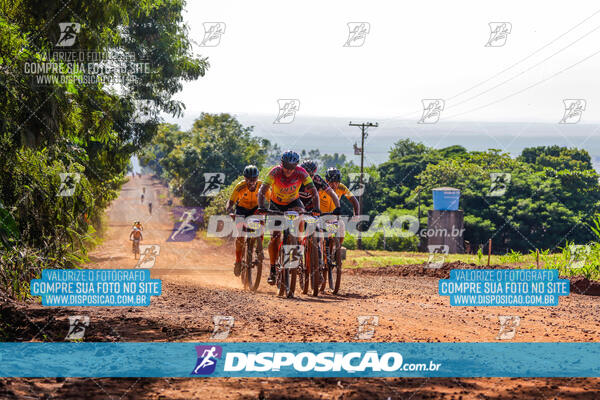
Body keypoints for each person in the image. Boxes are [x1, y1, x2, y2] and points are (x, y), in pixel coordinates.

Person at [256, 150, 320, 284]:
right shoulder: (274, 172)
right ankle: (273, 269)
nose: (289, 170)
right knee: (274, 237)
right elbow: (263, 189)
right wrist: (261, 206)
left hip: (293, 202)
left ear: (296, 165)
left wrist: (316, 208)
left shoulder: (301, 172)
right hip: (276, 204)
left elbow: (313, 190)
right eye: (286, 166)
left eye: (292, 167)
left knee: (301, 214)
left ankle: (297, 242)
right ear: (281, 164)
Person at [226, 165, 265, 277]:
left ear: (257, 178)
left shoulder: (261, 186)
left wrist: (273, 209)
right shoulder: (240, 186)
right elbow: (231, 201)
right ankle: (238, 260)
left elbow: (271, 198)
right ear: (245, 178)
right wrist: (229, 210)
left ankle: (259, 249)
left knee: (262, 224)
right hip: (242, 210)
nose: (251, 182)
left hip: (255, 209)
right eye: (248, 179)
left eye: (254, 179)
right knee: (241, 236)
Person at [322, 168, 360, 245]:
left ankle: (336, 250)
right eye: (331, 182)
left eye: (336, 182)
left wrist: (356, 214)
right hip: (320, 215)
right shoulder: (321, 187)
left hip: (333, 216)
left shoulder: (341, 187)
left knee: (342, 227)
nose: (334, 185)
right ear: (326, 181)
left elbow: (354, 201)